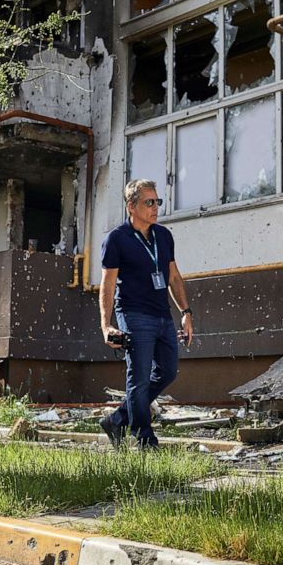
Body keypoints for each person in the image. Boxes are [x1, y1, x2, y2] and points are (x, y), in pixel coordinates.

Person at [99, 179, 194, 450]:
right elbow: (106, 286)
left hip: (162, 314)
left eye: (158, 202)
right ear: (131, 206)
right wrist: (106, 325)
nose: (155, 208)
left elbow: (174, 276)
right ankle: (144, 439)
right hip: (133, 313)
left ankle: (118, 418)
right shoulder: (116, 239)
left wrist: (186, 312)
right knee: (139, 376)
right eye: (149, 202)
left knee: (167, 371)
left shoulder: (164, 236)